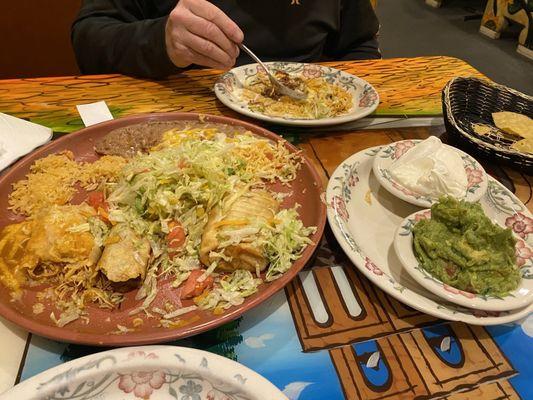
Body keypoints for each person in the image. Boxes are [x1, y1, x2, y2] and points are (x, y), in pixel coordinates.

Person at [72, 0, 380, 79]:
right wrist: (160, 42)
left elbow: (360, 46)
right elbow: (89, 38)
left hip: (307, 134)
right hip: (179, 127)